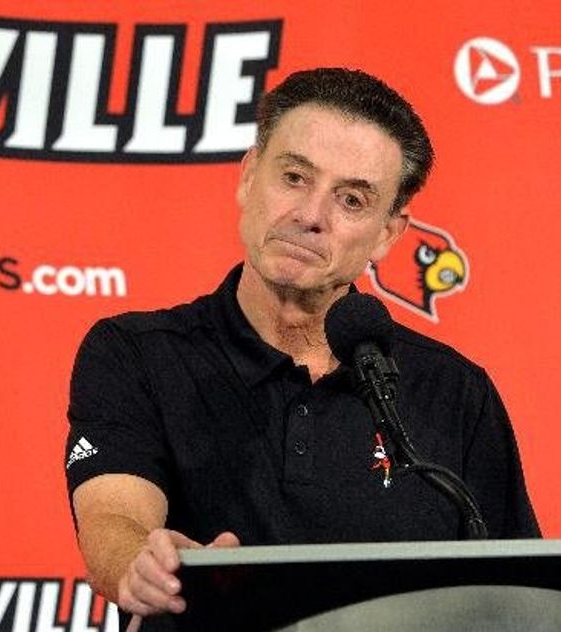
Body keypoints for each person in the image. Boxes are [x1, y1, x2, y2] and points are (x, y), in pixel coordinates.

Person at [63, 68, 540, 627]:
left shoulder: (453, 391)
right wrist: (142, 564)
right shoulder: (137, 354)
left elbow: (517, 596)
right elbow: (114, 518)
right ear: (248, 177)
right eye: (293, 177)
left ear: (388, 234)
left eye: (352, 200)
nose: (310, 216)